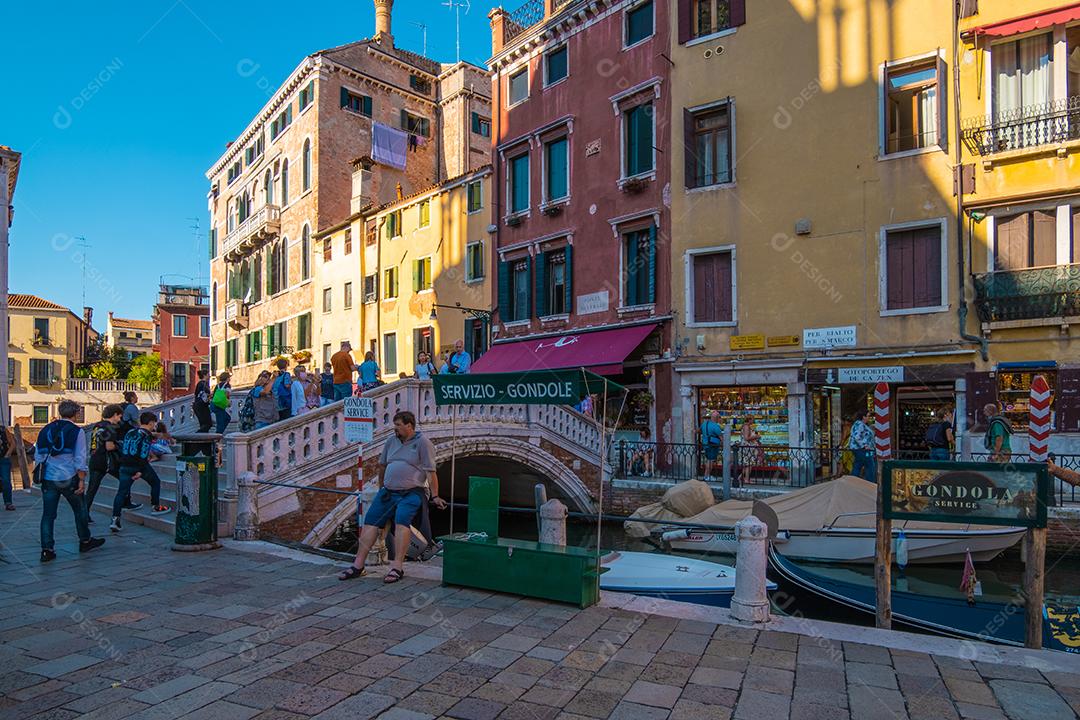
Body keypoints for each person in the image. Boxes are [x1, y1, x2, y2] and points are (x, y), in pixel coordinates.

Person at [338, 410, 447, 583]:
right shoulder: (391, 441)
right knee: (370, 522)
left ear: (409, 425)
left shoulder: (423, 443)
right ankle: (358, 565)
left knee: (401, 521)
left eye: (398, 425)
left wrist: (435, 496)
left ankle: (397, 567)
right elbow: (382, 465)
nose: (394, 428)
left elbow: (430, 472)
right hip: (388, 491)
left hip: (411, 492)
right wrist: (382, 486)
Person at [35, 400, 106, 561]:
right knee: (80, 510)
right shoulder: (76, 431)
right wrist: (81, 480)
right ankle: (85, 540)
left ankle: (47, 549)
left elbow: (38, 455)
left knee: (48, 515)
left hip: (49, 478)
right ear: (75, 413)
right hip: (68, 477)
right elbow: (80, 458)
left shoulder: (46, 428)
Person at [110, 412, 171, 532]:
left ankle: (115, 519)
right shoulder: (145, 436)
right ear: (151, 423)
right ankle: (156, 506)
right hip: (138, 465)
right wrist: (140, 471)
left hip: (124, 464)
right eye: (154, 423)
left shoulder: (130, 432)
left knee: (121, 492)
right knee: (155, 482)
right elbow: (143, 454)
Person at [84, 404, 123, 522]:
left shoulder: (97, 426)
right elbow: (109, 446)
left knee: (91, 489)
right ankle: (125, 502)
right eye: (119, 417)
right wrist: (119, 445)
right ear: (115, 415)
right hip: (105, 461)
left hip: (94, 459)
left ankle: (84, 514)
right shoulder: (111, 428)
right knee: (125, 479)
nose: (120, 420)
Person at [849, 410, 876, 481]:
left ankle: (853, 481)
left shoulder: (860, 424)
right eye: (868, 416)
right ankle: (870, 483)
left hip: (860, 449)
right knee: (870, 466)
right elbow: (857, 436)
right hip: (863, 450)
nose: (869, 418)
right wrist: (864, 446)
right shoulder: (860, 424)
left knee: (858, 465)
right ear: (863, 417)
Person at [700, 410, 723, 482]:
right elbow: (721, 438)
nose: (720, 419)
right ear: (716, 418)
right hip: (712, 445)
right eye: (719, 417)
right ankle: (706, 476)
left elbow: (698, 431)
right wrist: (725, 445)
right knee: (710, 461)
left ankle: (707, 475)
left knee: (709, 460)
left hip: (705, 444)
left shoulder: (704, 423)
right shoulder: (716, 426)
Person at [740, 415, 762, 487]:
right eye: (753, 419)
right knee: (749, 464)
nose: (753, 421)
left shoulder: (747, 426)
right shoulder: (746, 427)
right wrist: (756, 436)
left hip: (748, 447)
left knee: (747, 464)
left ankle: (740, 477)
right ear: (749, 420)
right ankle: (746, 479)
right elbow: (746, 438)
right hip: (748, 447)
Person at [0, 422, 16, 511]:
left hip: (3, 459)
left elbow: (12, 443)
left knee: (6, 481)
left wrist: (8, 454)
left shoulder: (3, 429)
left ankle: (8, 503)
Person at [192, 369, 213, 433]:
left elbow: (197, 394)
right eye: (208, 375)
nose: (209, 376)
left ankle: (203, 438)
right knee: (208, 423)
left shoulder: (199, 384)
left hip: (198, 406)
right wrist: (211, 395)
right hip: (202, 406)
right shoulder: (204, 384)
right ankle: (197, 436)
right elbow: (204, 395)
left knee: (203, 424)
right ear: (204, 375)